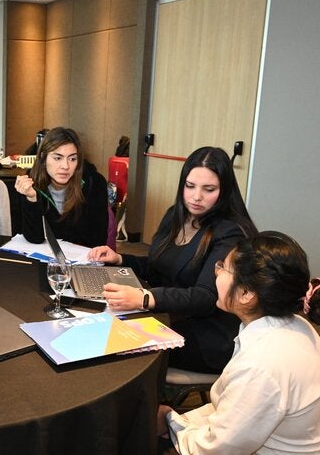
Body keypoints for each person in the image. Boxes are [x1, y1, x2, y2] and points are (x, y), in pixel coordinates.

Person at [159, 231, 320, 453]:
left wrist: (170, 420)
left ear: (246, 293)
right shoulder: (298, 326)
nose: (216, 271)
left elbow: (216, 448)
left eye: (223, 268)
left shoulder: (260, 365)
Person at [88, 146, 258, 373]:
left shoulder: (230, 232)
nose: (196, 197)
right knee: (100, 321)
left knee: (115, 341)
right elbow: (160, 268)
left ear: (225, 191)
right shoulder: (176, 215)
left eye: (209, 189)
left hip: (207, 335)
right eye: (190, 186)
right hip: (171, 313)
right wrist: (120, 259)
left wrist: (145, 298)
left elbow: (205, 297)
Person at [14, 127, 109, 248]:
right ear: (43, 157)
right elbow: (34, 238)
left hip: (83, 256)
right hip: (44, 254)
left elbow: (96, 240)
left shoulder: (94, 183)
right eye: (58, 158)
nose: (65, 166)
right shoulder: (31, 182)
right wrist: (32, 199)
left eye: (72, 159)